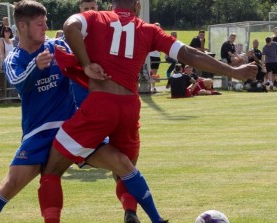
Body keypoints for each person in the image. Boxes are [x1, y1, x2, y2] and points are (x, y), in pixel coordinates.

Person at [39, 1, 256, 223]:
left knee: (52, 170)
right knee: (127, 169)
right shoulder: (148, 29)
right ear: (137, 5)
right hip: (130, 107)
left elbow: (69, 26)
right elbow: (189, 54)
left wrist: (85, 64)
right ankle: (132, 213)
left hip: (101, 103)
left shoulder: (95, 17)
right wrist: (233, 71)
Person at [0, 1, 76, 222]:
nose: (45, 28)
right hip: (38, 134)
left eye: (45, 22)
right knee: (8, 186)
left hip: (71, 129)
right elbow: (19, 82)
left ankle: (135, 211)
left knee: (118, 160)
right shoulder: (14, 59)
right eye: (40, 24)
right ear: (22, 26)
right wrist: (36, 66)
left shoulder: (58, 46)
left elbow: (81, 68)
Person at [148, 22, 161, 93]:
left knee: (155, 73)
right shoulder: (151, 35)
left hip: (157, 56)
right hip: (151, 56)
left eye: (158, 26)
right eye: (156, 26)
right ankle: (150, 86)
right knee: (150, 72)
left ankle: (153, 86)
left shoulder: (160, 36)